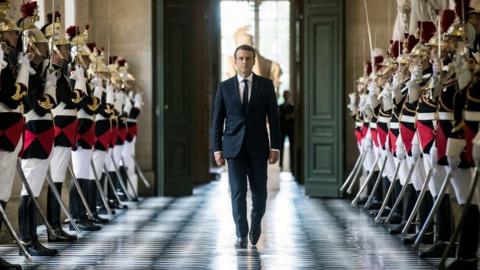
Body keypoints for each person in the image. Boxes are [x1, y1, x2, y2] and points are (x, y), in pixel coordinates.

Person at [212, 44, 281, 248]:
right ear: (235, 62)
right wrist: (217, 149)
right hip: (233, 148)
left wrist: (275, 147)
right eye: (240, 58)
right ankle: (241, 233)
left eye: (248, 58)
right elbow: (217, 121)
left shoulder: (266, 86)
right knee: (237, 191)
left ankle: (256, 222)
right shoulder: (224, 87)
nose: (244, 62)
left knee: (260, 191)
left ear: (253, 61)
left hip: (259, 148)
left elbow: (274, 119)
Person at [278, 90, 294, 170]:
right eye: (285, 95)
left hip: (291, 130)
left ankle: (293, 165)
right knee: (281, 147)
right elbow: (279, 118)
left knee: (292, 147)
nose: (286, 97)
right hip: (282, 129)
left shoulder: (292, 107)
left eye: (287, 95)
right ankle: (281, 165)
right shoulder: (280, 106)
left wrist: (290, 116)